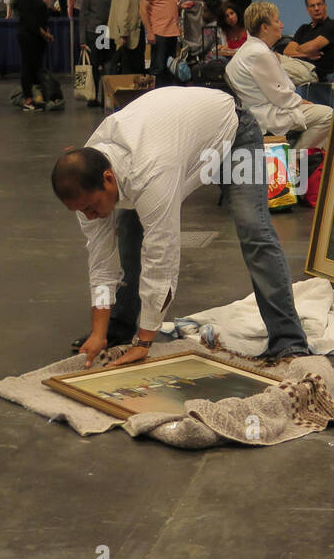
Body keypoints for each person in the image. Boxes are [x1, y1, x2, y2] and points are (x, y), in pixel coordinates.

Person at [51, 87, 311, 365]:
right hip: (180, 142)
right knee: (127, 235)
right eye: (81, 211)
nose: (89, 216)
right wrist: (98, 331)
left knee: (253, 229)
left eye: (91, 208)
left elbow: (161, 259)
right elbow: (102, 262)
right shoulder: (86, 183)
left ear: (107, 179)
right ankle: (116, 330)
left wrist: (145, 341)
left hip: (234, 135)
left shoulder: (151, 172)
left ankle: (288, 340)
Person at [225, 0, 334, 151]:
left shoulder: (249, 50)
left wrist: (298, 100)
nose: (281, 25)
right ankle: (295, 161)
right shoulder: (260, 54)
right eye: (277, 21)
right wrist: (302, 101)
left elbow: (280, 93)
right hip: (267, 116)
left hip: (257, 112)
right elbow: (282, 97)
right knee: (329, 115)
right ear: (264, 27)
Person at [12, 0, 64, 111]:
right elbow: (30, 21)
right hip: (28, 36)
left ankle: (38, 96)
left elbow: (42, 14)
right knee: (28, 67)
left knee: (36, 68)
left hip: (38, 37)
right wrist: (45, 33)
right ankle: (27, 98)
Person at [278, 0, 334, 106]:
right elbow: (288, 51)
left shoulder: (332, 26)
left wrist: (300, 50)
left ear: (325, 6)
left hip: (313, 70)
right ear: (308, 9)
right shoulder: (304, 29)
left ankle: (282, 106)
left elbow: (312, 46)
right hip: (296, 62)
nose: (316, 8)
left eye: (319, 4)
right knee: (271, 57)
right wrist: (306, 54)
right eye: (312, 6)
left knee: (276, 70)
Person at [139, 0, 183, 81]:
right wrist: (150, 32)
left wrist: (181, 6)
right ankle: (155, 96)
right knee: (158, 68)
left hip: (172, 32)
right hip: (159, 32)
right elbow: (142, 8)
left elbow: (166, 5)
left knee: (170, 69)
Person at [81, 0, 115, 107]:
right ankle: (92, 97)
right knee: (94, 65)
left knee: (108, 65)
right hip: (94, 31)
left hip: (108, 31)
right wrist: (82, 38)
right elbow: (84, 13)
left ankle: (105, 96)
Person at [107, 0, 149, 74]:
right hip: (128, 35)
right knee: (129, 69)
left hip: (129, 34)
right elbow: (124, 9)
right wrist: (123, 34)